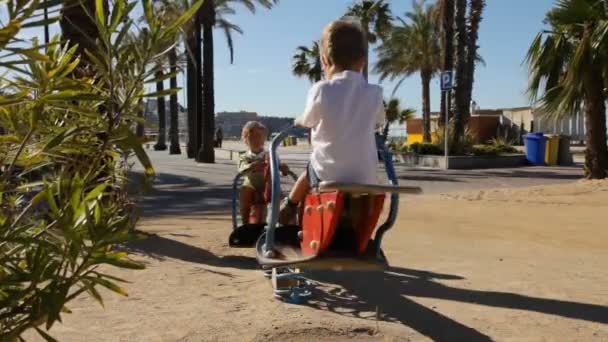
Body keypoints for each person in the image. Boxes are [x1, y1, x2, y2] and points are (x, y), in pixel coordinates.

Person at [279, 19, 385, 225]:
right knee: (364, 182)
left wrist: (298, 120)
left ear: (324, 60)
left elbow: (308, 120)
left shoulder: (322, 89)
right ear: (363, 60)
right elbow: (379, 122)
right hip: (365, 176)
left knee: (310, 169)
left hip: (326, 173)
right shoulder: (375, 93)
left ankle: (290, 205)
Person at [239, 121, 289, 223]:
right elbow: (241, 168)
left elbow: (278, 165)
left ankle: (280, 220)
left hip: (268, 184)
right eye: (252, 137)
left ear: (264, 139)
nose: (256, 140)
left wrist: (283, 168)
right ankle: (245, 221)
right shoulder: (244, 156)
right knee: (245, 192)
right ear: (245, 139)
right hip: (252, 184)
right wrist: (250, 166)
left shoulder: (270, 154)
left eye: (259, 136)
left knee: (278, 195)